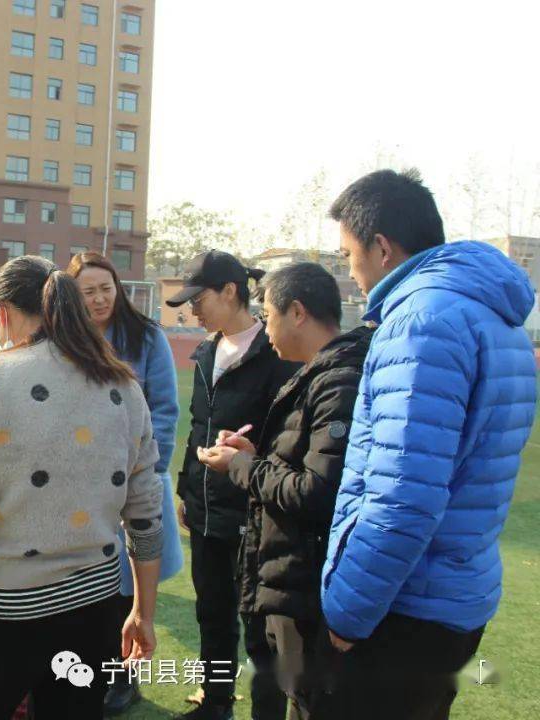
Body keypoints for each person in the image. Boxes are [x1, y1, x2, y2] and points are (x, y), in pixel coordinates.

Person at [318, 169, 536, 720]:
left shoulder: (422, 320)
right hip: (456, 593)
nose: (352, 272)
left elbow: (403, 496)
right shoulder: (493, 316)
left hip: (406, 607)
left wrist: (347, 613)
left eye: (349, 255)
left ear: (382, 247)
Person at [0, 255, 163, 719]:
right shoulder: (123, 386)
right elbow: (145, 510)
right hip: (95, 606)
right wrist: (144, 611)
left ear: (1, 312)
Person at [196, 264, 372, 720]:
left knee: (305, 699)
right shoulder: (316, 373)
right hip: (286, 574)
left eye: (268, 314)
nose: (265, 327)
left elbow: (316, 491)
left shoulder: (338, 382)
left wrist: (241, 465)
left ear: (297, 312)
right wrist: (254, 454)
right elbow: (304, 467)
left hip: (306, 581)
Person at [166, 250, 297, 720]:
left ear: (230, 291)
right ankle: (216, 701)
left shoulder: (277, 354)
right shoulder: (206, 352)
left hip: (257, 513)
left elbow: (292, 441)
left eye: (198, 299)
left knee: (261, 626)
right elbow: (200, 427)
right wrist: (187, 488)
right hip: (207, 510)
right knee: (213, 613)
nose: (192, 310)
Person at [68, 251, 184, 715]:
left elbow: (166, 410)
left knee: (132, 586)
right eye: (87, 291)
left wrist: (150, 473)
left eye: (105, 288)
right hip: (79, 483)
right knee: (89, 585)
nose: (98, 299)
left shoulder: (147, 337)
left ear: (118, 288)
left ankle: (125, 677)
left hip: (134, 478)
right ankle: (90, 672)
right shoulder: (65, 339)